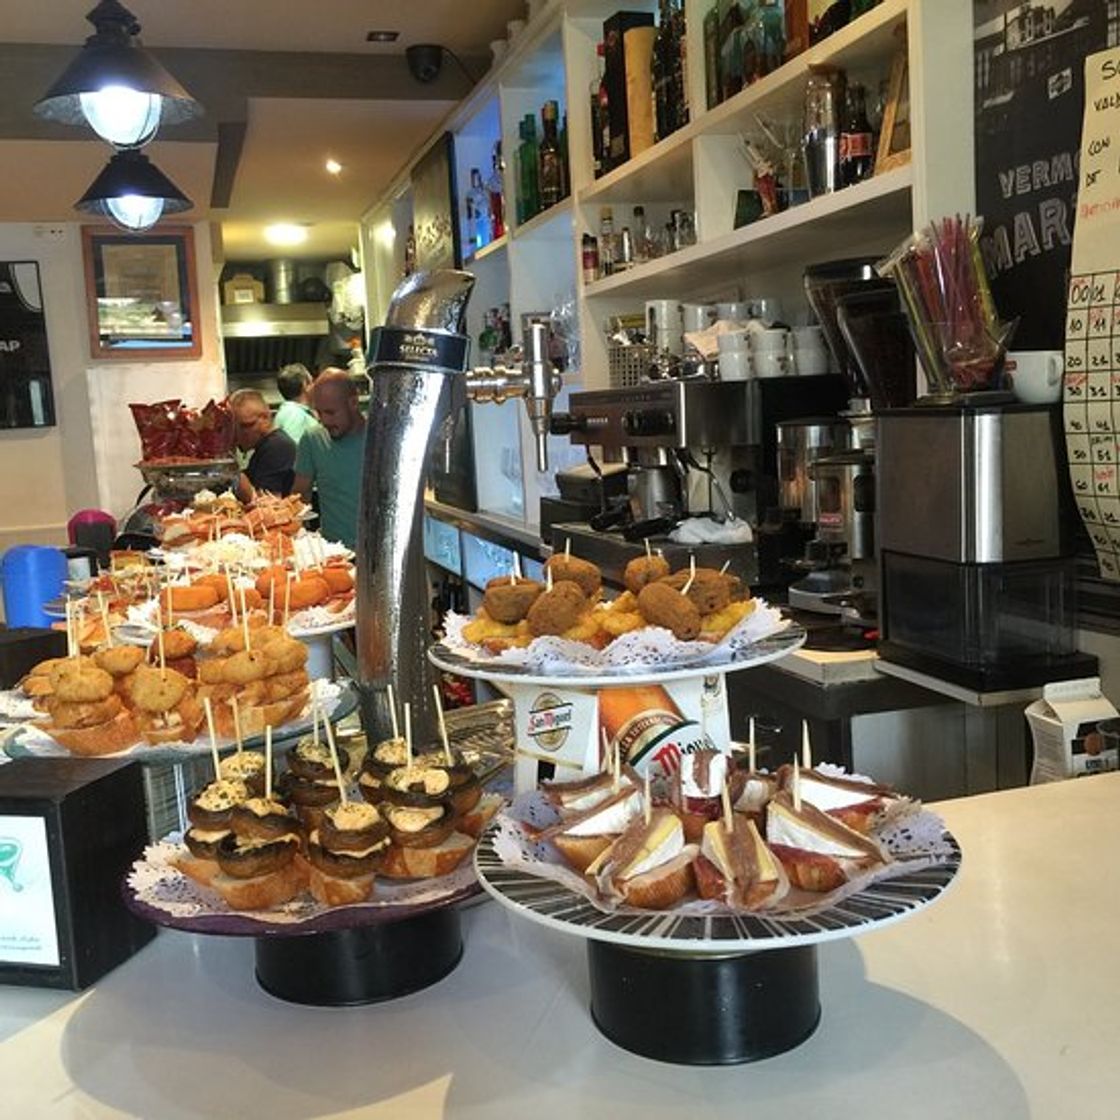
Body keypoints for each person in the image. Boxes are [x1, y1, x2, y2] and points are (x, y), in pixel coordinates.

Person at [293, 369, 366, 550]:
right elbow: (300, 497)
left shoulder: (380, 438)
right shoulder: (312, 439)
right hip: (334, 553)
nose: (324, 420)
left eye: (331, 412)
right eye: (319, 413)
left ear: (353, 403)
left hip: (377, 551)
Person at [229, 388, 296, 502]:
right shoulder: (267, 446)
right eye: (234, 427)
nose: (238, 434)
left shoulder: (278, 447)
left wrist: (230, 463)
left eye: (245, 426)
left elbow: (266, 502)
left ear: (265, 418)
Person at [273, 363, 317, 445]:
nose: (315, 386)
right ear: (305, 385)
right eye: (312, 381)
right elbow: (294, 450)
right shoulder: (294, 414)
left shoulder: (292, 411)